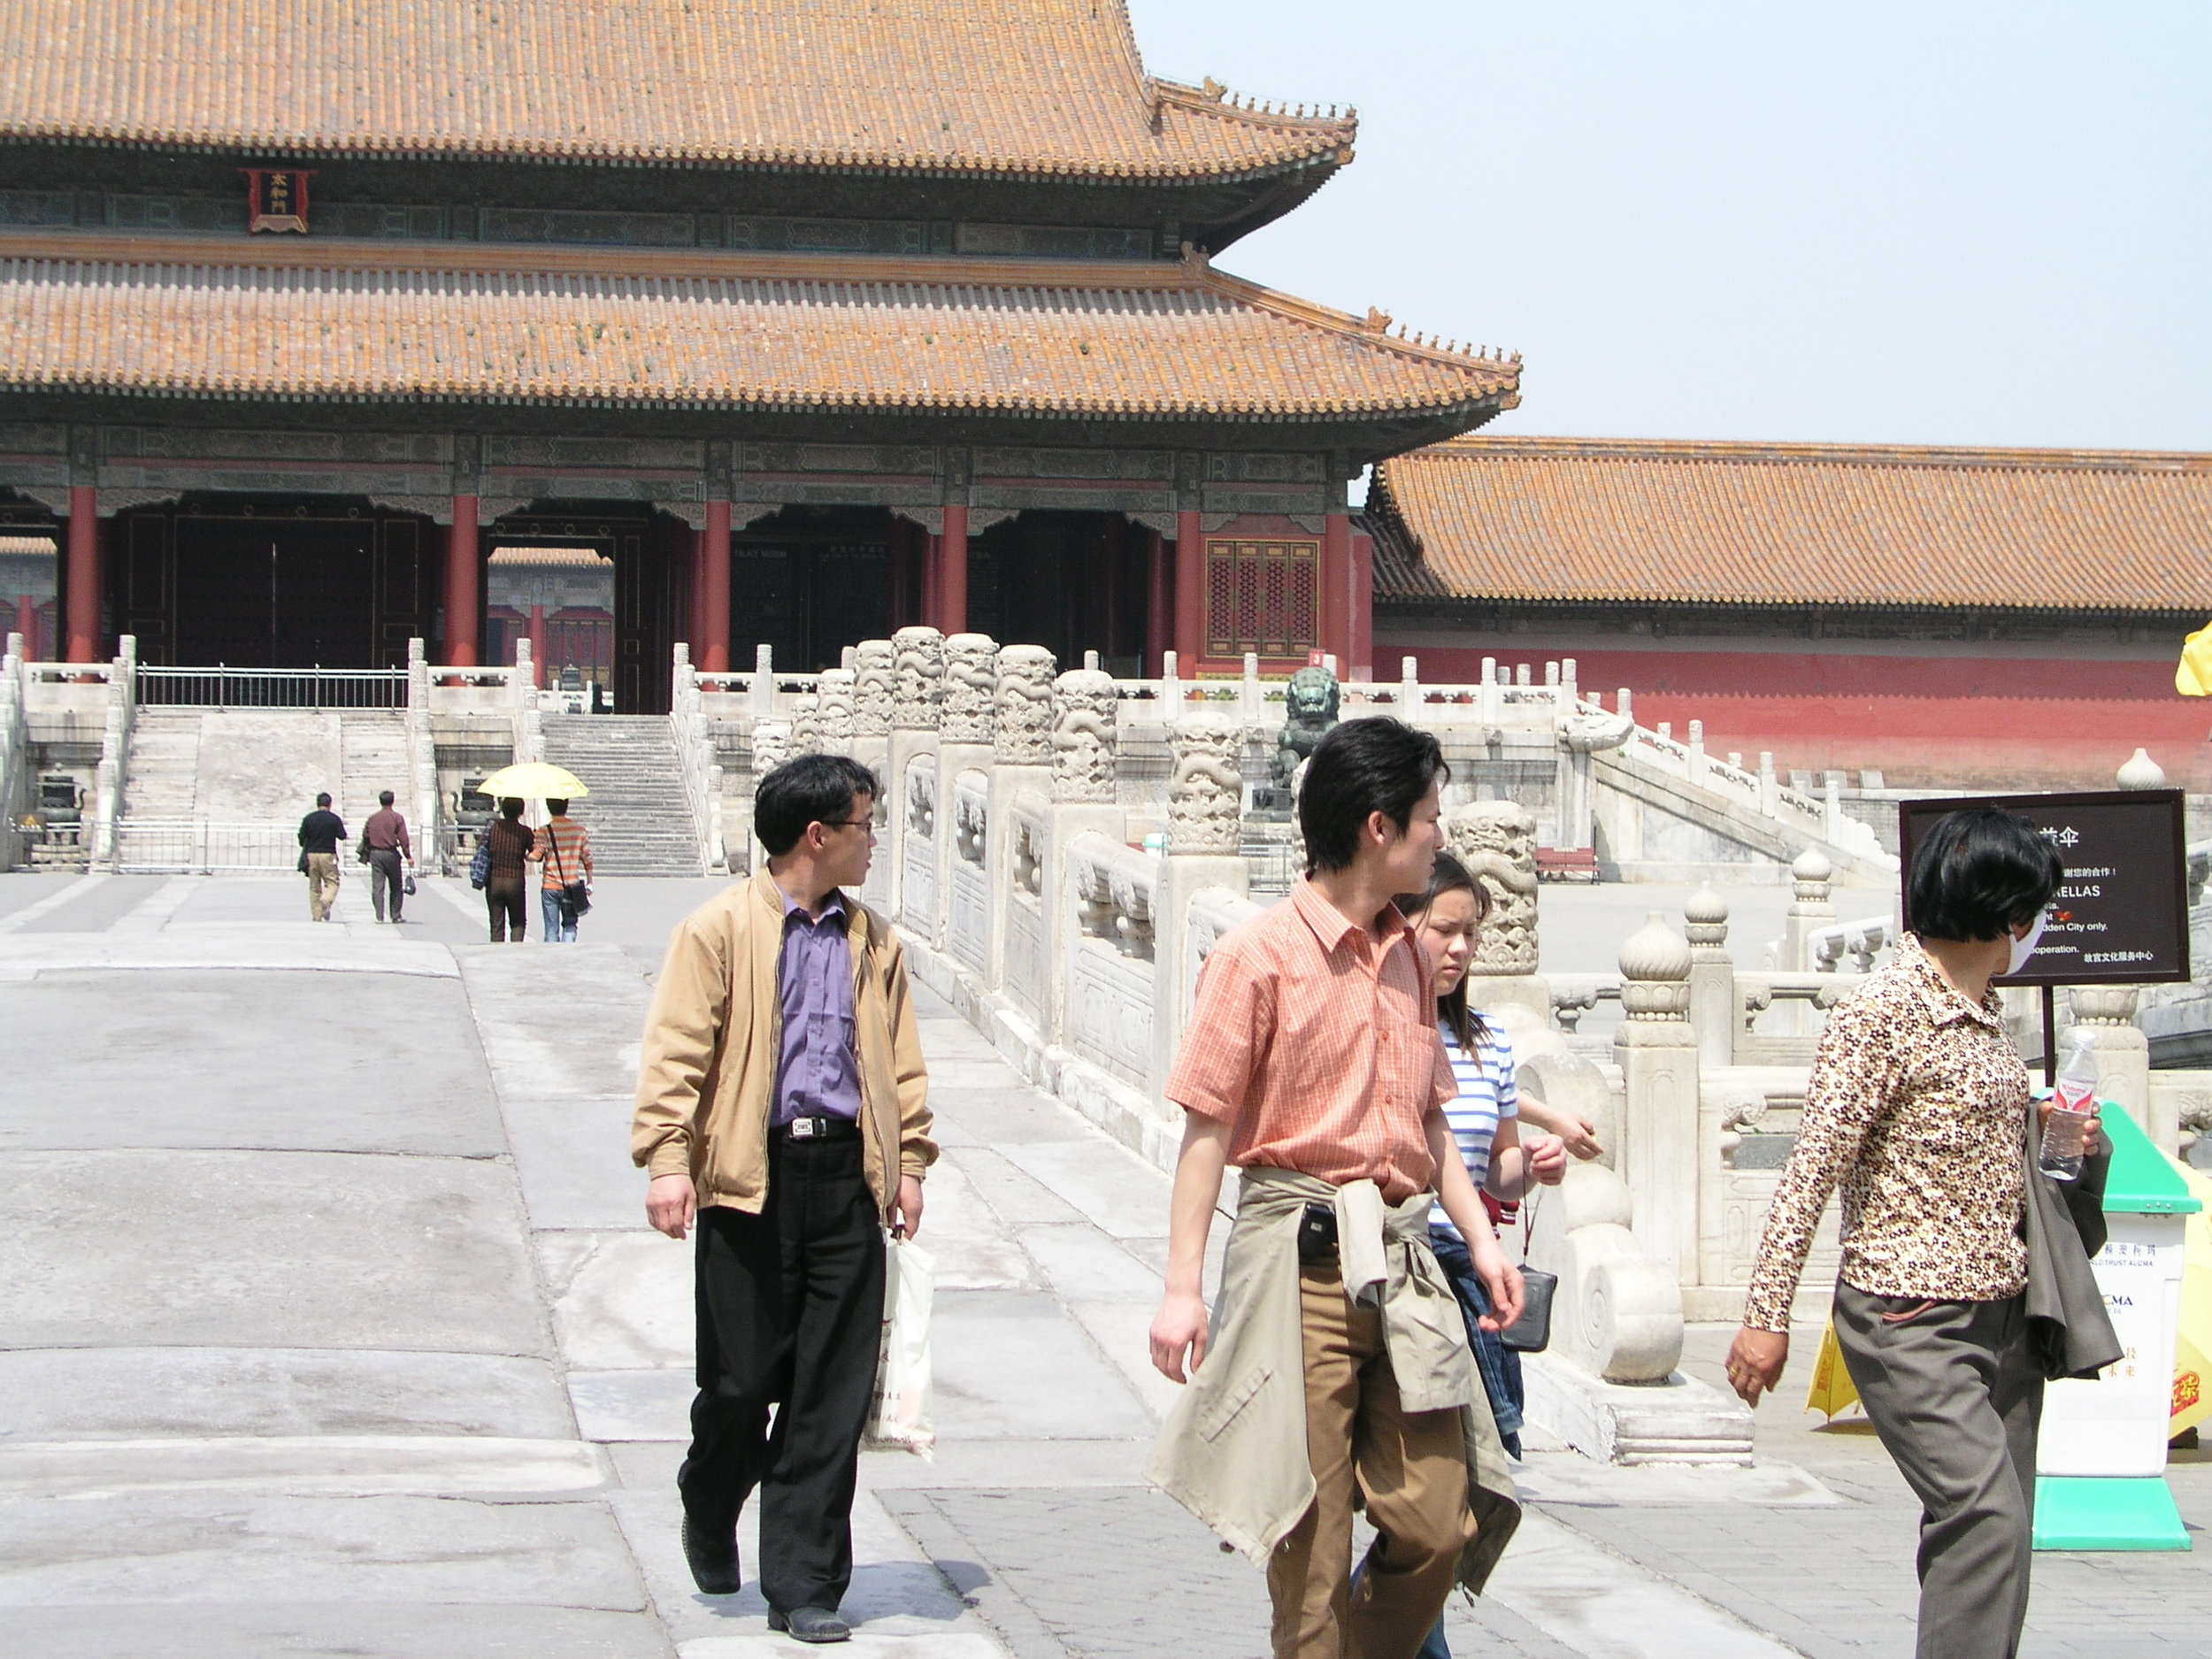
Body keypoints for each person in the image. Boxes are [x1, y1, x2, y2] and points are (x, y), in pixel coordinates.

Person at [1148, 718, 1525, 1659]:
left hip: (1401, 1261)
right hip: (1300, 1258)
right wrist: (1182, 1288)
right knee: (1310, 1543)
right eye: (1429, 817)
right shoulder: (1257, 956)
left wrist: (1480, 1243)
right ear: (1377, 828)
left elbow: (1431, 1121)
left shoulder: (1406, 956)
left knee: (1441, 1521)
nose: (1440, 836)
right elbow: (1204, 1129)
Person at [1725, 807, 2098, 1659]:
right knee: (1985, 1512)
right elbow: (1812, 1166)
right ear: (2006, 914)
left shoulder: (1984, 1013)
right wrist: (1765, 1315)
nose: (2035, 931)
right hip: (1908, 1317)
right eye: (2033, 912)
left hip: (2004, 1314)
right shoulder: (1882, 1013)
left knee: (1994, 1536)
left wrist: (2062, 1138)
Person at [633, 753, 933, 1645]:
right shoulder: (719, 929)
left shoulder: (872, 941)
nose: (873, 841)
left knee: (827, 1393)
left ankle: (803, 1582)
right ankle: (709, 1489)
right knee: (740, 1381)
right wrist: (666, 1161)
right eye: (864, 825)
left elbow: (902, 1061)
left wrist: (909, 1160)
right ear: (817, 835)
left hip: (845, 1180)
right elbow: (677, 1049)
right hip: (747, 1179)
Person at [1399, 853, 1571, 1464]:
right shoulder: (1383, 1028)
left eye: (1470, 932)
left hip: (1472, 1264)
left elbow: (1495, 1170)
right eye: (1444, 929)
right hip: (1404, 1261)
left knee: (1484, 1458)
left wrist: (1532, 1162)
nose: (1460, 947)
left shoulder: (1488, 1040)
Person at [529, 796, 593, 943]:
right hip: (572, 886)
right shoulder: (579, 831)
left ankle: (552, 959)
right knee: (570, 925)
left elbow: (536, 855)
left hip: (550, 885)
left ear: (549, 807)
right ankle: (568, 953)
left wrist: (527, 855)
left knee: (551, 929)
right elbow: (587, 858)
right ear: (567, 806)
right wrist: (590, 882)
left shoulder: (544, 831)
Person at [482, 797, 534, 943]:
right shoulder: (524, 831)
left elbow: (482, 847)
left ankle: (496, 952)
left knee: (496, 923)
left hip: (494, 880)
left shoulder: (492, 828)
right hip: (515, 880)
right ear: (521, 811)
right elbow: (534, 853)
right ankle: (515, 950)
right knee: (517, 921)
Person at [362, 789, 413, 925]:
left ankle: (379, 916)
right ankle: (395, 915)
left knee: (377, 886)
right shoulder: (397, 818)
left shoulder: (372, 818)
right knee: (396, 885)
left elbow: (365, 835)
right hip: (391, 854)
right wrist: (408, 855)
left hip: (376, 854)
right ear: (392, 801)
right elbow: (403, 838)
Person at [296, 792, 346, 923]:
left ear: (317, 803)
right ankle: (325, 900)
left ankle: (317, 916)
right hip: (328, 854)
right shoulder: (334, 819)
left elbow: (301, 838)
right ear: (330, 804)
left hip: (311, 854)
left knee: (314, 886)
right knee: (332, 882)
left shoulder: (308, 819)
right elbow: (342, 835)